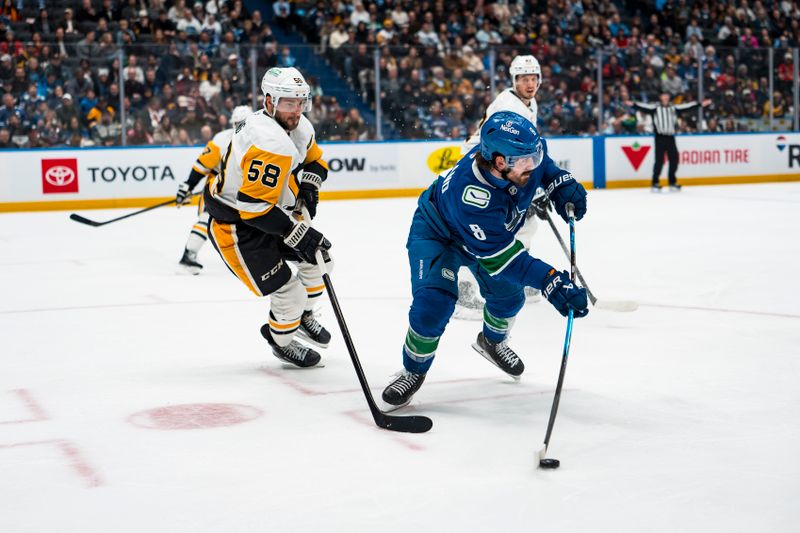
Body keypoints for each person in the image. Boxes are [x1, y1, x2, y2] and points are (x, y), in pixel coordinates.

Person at [381, 111, 589, 409]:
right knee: (433, 304)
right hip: (438, 235)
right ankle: (413, 370)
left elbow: (544, 166)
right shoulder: (471, 196)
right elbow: (504, 260)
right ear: (500, 162)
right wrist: (550, 280)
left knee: (509, 298)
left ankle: (491, 341)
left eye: (534, 155)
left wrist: (559, 182)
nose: (533, 163)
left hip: (484, 236)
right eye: (525, 160)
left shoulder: (522, 156)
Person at [203, 67, 333, 368]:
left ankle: (302, 317)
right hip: (236, 225)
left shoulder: (297, 128)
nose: (297, 110)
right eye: (290, 103)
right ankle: (281, 339)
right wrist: (298, 232)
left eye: (301, 102)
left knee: (319, 263)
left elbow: (316, 161)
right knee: (289, 293)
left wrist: (311, 184)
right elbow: (251, 208)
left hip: (270, 211)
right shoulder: (268, 141)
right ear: (270, 100)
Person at [457, 55, 545, 317]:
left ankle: (518, 278)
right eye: (524, 79)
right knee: (478, 230)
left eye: (533, 78)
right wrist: (534, 189)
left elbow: (523, 150)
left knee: (525, 224)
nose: (530, 84)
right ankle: (461, 290)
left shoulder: (528, 102)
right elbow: (506, 149)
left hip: (502, 166)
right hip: (481, 168)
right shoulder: (510, 107)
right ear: (514, 80)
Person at [175, 105, 253, 274]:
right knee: (207, 218)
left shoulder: (259, 140)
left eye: (244, 123)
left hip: (243, 190)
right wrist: (188, 185)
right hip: (218, 189)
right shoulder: (221, 139)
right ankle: (188, 257)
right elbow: (202, 164)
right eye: (238, 123)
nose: (240, 127)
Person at [628, 92, 710, 192]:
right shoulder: (655, 108)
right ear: (660, 97)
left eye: (667, 95)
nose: (666, 97)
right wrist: (633, 104)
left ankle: (672, 182)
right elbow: (643, 107)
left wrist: (700, 104)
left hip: (670, 137)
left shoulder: (673, 107)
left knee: (674, 159)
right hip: (660, 137)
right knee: (659, 161)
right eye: (663, 95)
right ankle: (655, 182)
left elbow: (687, 107)